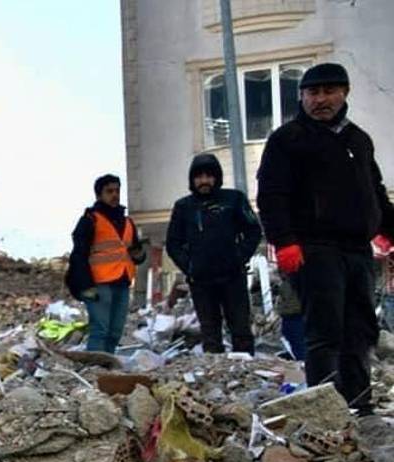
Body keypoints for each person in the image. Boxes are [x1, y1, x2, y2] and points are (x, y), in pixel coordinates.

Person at [257, 62, 394, 414]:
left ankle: (359, 405)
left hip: (357, 249)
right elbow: (271, 195)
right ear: (302, 97)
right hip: (313, 248)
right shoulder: (287, 140)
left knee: (360, 329)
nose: (321, 100)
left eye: (329, 91)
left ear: (344, 93)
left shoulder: (358, 140)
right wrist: (284, 240)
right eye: (313, 93)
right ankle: (325, 409)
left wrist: (389, 230)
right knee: (325, 330)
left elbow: (375, 192)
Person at [165, 153, 263, 353]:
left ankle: (245, 367)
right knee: (210, 334)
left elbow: (253, 231)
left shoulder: (233, 200)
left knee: (241, 329)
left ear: (216, 177)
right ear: (192, 180)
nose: (204, 181)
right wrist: (190, 266)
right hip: (201, 280)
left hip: (232, 277)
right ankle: (216, 369)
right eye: (199, 176)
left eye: (209, 176)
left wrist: (239, 257)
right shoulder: (184, 207)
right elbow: (173, 243)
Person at [66, 174, 147, 353]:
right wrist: (85, 285)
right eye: (109, 191)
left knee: (115, 332)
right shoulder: (90, 220)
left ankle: (107, 364)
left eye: (117, 191)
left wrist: (139, 254)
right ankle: (95, 366)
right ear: (99, 195)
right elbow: (79, 255)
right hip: (99, 284)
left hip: (123, 282)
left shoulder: (128, 222)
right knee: (100, 330)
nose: (114, 195)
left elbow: (136, 253)